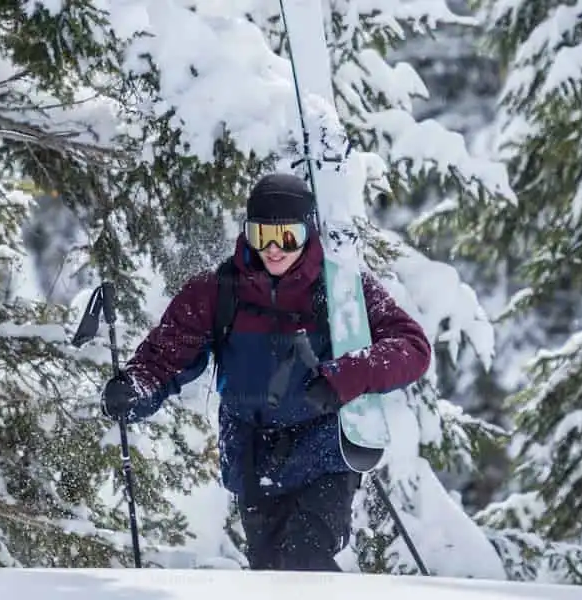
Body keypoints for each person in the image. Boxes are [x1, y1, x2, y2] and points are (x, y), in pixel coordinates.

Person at [98, 172, 432, 571]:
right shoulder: (217, 291)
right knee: (269, 573)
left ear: (308, 232)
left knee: (305, 559)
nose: (273, 249)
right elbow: (166, 356)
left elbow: (412, 347)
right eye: (261, 236)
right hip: (253, 458)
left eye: (287, 237)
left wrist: (342, 377)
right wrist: (135, 387)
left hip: (325, 452)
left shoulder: (342, 289)